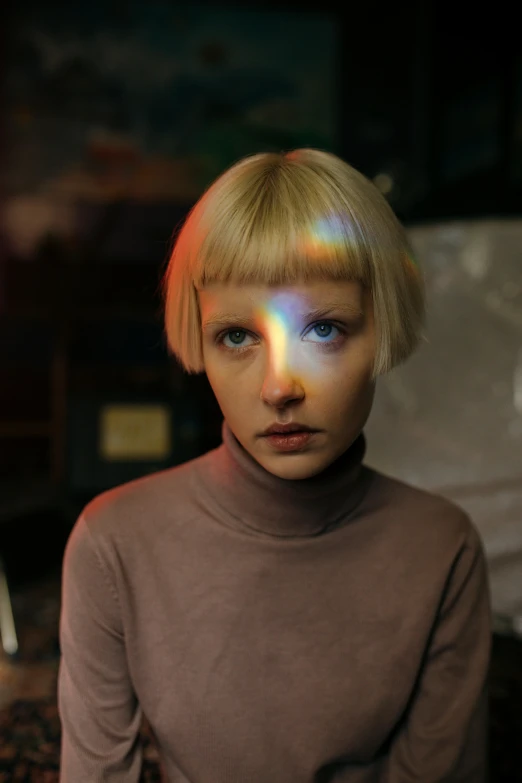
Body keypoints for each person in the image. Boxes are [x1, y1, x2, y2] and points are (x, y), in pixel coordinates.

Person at [58, 149, 492, 782]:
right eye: (238, 336)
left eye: (323, 330)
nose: (278, 388)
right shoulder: (113, 543)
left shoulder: (442, 548)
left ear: (384, 331)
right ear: (199, 339)